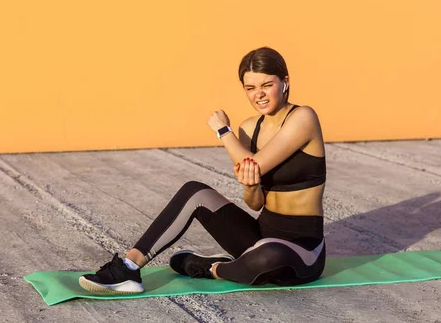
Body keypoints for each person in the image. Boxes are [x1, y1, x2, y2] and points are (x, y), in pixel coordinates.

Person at [79, 47, 327, 294]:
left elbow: (255, 165)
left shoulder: (303, 117)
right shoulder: (250, 129)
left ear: (285, 82)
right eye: (250, 88)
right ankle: (129, 266)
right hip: (261, 235)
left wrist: (223, 131)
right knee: (194, 192)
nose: (258, 95)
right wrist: (251, 186)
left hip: (301, 249)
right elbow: (254, 203)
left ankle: (212, 268)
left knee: (269, 255)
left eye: (266, 85)